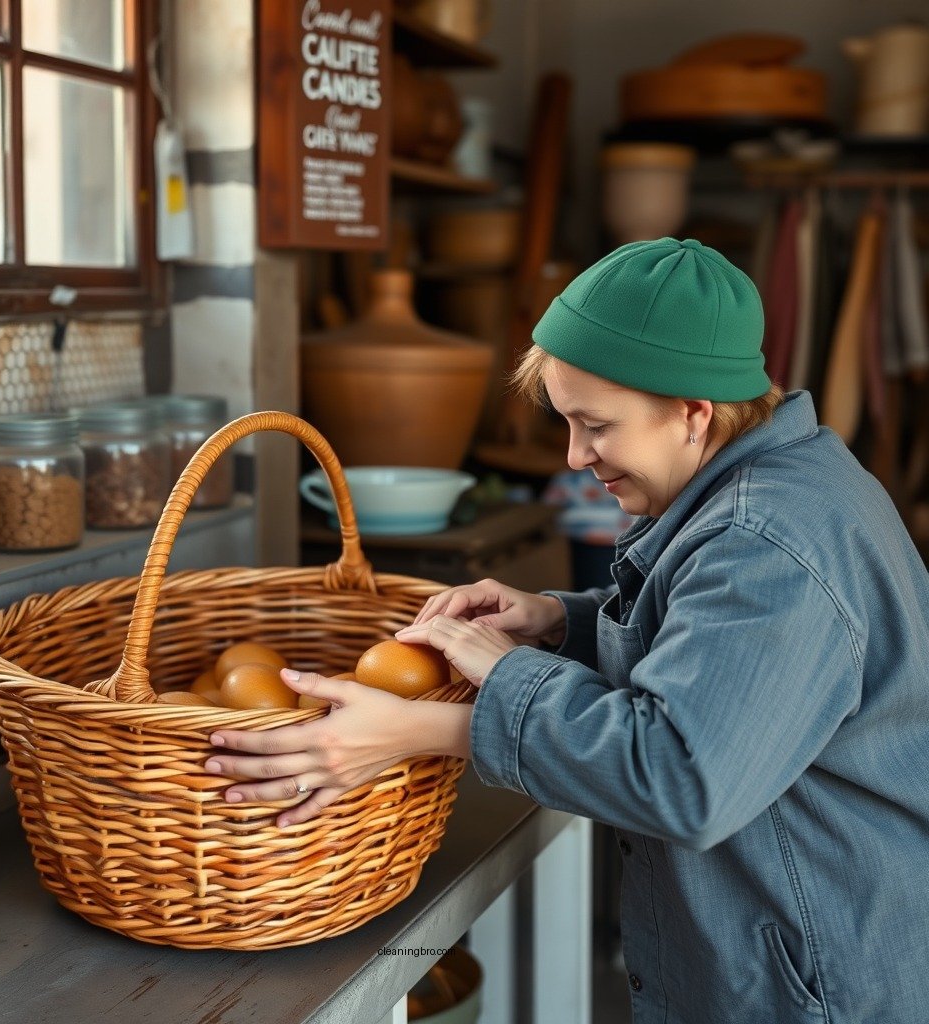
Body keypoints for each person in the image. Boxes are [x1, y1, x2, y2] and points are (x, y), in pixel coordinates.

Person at [205, 238, 929, 1023]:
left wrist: (425, 727)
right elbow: (716, 654)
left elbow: (678, 775)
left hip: (821, 977)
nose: (577, 454)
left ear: (694, 412)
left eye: (597, 426)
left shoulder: (766, 545)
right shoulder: (774, 486)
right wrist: (560, 621)